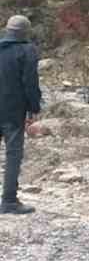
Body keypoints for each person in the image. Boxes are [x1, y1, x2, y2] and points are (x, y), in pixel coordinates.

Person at [0, 14, 42, 215]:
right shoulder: (27, 51)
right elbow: (30, 83)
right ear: (25, 32)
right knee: (13, 154)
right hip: (13, 112)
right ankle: (8, 201)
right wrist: (34, 108)